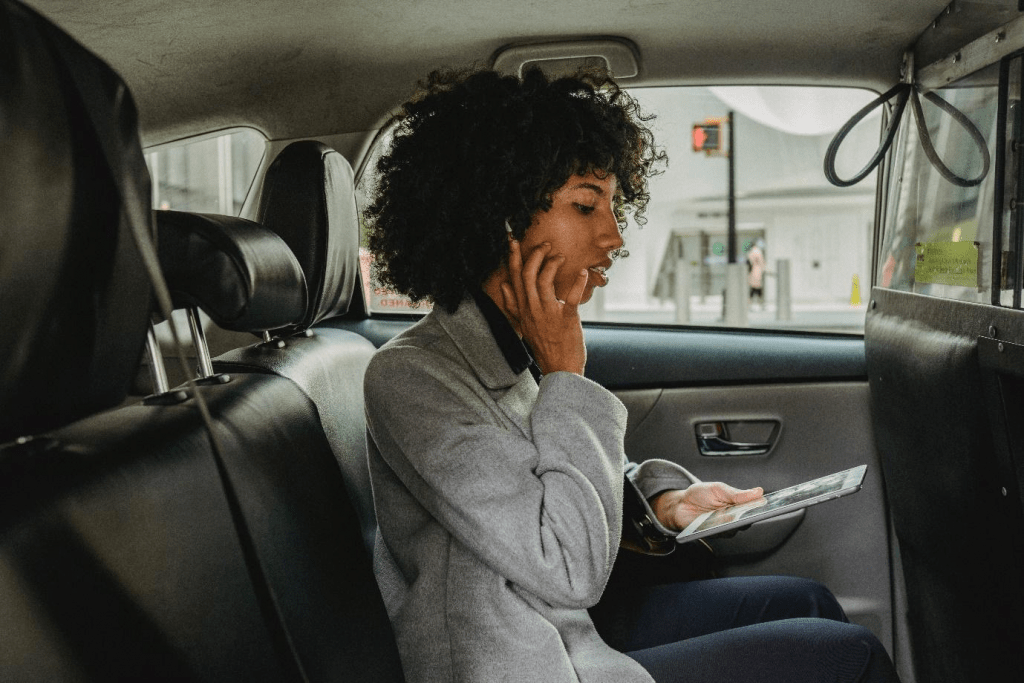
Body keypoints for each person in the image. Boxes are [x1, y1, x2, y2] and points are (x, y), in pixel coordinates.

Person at [362, 67, 899, 683]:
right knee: (850, 659)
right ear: (499, 218)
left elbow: (573, 483)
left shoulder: (515, 346)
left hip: (567, 631)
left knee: (807, 603)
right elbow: (566, 568)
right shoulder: (413, 378)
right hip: (520, 661)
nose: (614, 236)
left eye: (613, 207)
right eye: (586, 205)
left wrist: (665, 503)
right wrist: (567, 376)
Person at [747, 238, 766, 307]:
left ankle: (750, 303)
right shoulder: (758, 251)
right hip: (757, 271)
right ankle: (760, 303)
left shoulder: (751, 252)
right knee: (757, 288)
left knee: (753, 288)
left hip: (752, 271)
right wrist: (764, 269)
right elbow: (761, 262)